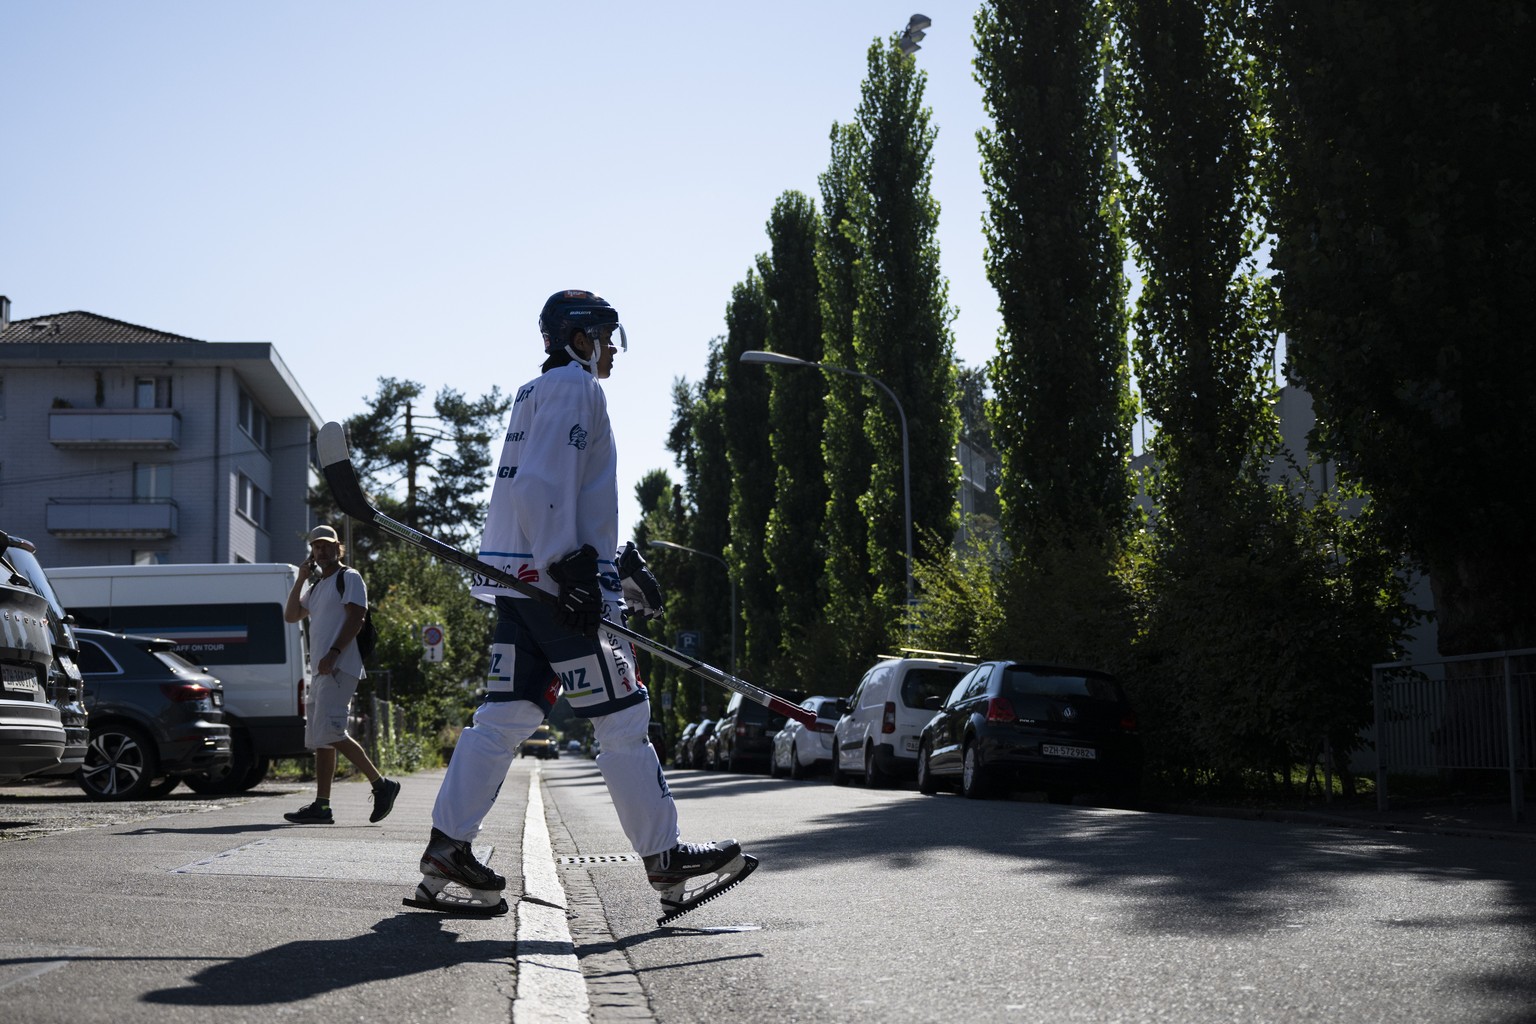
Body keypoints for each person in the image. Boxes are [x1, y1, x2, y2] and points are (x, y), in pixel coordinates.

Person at [414, 289, 753, 920]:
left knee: (503, 720)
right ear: (580, 338)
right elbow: (546, 488)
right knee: (623, 720)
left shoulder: (533, 391)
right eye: (607, 337)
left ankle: (446, 849)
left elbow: (550, 489)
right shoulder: (578, 388)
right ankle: (664, 855)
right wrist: (573, 573)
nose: (613, 353)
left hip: (521, 587)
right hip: (557, 591)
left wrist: (613, 564)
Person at [282, 524, 400, 825]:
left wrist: (334, 653)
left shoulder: (349, 577)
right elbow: (291, 615)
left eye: (327, 545)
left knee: (332, 732)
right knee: (322, 738)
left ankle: (381, 784)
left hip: (339, 667)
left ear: (339, 547)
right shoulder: (319, 586)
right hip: (321, 671)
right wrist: (301, 578)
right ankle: (322, 806)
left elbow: (357, 616)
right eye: (316, 547)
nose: (322, 551)